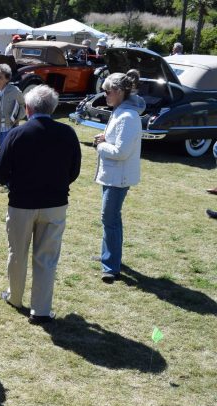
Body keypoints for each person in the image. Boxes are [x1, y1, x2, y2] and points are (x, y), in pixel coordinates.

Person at [0, 85, 81, 324]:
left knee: (17, 253)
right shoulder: (68, 134)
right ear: (52, 108)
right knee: (47, 258)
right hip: (55, 204)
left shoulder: (16, 134)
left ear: (28, 109)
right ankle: (41, 310)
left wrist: (13, 181)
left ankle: (15, 298)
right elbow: (74, 171)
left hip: (22, 203)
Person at [93, 69, 144, 283]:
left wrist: (101, 145)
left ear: (118, 92)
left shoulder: (128, 116)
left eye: (106, 92)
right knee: (112, 218)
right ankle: (110, 256)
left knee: (109, 218)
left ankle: (111, 267)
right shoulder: (120, 111)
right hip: (113, 176)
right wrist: (106, 137)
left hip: (118, 177)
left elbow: (121, 152)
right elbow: (118, 141)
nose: (104, 95)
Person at [0, 63, 25, 146]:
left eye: (0, 78)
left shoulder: (15, 91)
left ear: (7, 79)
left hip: (9, 128)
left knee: (7, 151)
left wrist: (18, 118)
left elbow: (22, 105)